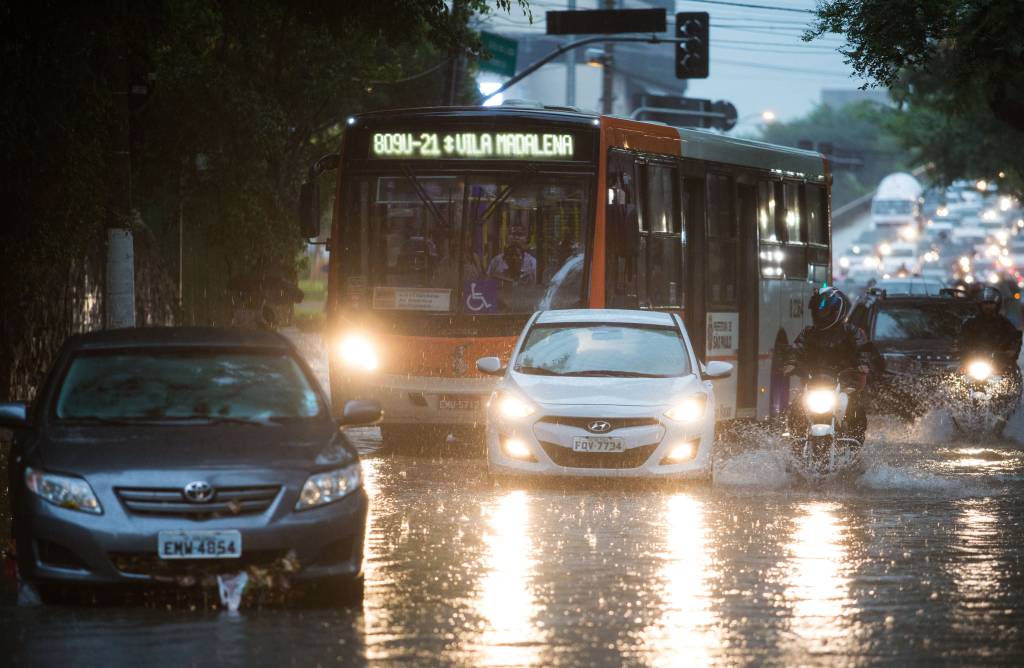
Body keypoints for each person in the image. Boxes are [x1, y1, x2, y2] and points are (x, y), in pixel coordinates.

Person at [782, 286, 872, 442]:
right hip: (814, 383)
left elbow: (864, 348)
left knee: (854, 407)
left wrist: (863, 363)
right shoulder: (808, 333)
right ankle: (796, 443)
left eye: (824, 311)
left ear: (836, 311)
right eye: (818, 311)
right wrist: (791, 362)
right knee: (797, 406)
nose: (820, 314)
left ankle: (854, 444)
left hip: (844, 383)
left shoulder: (851, 332)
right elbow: (796, 348)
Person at [957, 286, 1022, 374]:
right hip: (974, 360)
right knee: (959, 376)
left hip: (999, 361)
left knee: (1012, 374)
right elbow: (962, 340)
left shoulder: (1004, 323)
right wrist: (963, 350)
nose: (988, 306)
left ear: (997, 305)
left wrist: (1011, 351)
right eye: (985, 304)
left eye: (991, 303)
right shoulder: (971, 323)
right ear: (980, 305)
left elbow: (1014, 338)